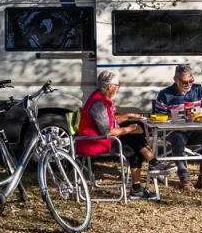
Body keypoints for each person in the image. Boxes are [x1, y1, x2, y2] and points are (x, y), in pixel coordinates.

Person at [76, 69, 177, 200]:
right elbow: (107, 130)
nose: (119, 88)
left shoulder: (102, 98)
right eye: (118, 85)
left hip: (102, 139)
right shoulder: (98, 103)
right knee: (133, 146)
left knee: (135, 131)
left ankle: (151, 167)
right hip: (94, 143)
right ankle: (143, 179)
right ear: (109, 86)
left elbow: (110, 120)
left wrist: (128, 116)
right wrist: (128, 129)